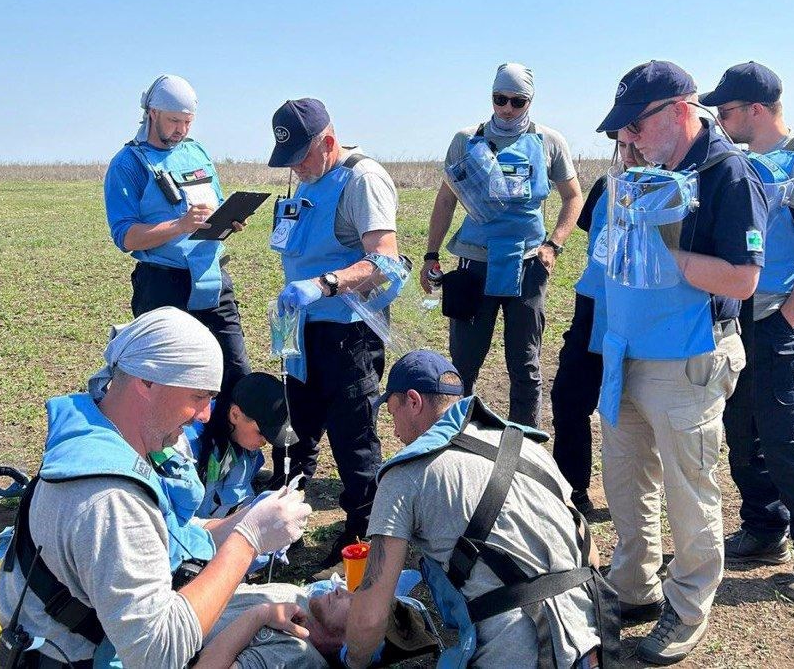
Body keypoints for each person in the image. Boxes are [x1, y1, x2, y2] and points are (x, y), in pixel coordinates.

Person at [0, 307, 311, 667]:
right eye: (198, 396)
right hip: (82, 658)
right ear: (146, 382)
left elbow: (167, 535)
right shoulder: (110, 501)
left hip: (86, 642)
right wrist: (248, 541)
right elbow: (159, 654)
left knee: (284, 602)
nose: (207, 414)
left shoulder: (110, 440)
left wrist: (246, 521)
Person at [594, 60, 768, 664]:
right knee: (626, 478)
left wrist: (671, 248)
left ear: (679, 110)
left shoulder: (728, 175)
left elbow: (744, 281)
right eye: (623, 132)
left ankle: (689, 604)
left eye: (635, 126)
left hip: (688, 359)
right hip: (627, 354)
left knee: (688, 490)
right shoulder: (647, 173)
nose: (628, 139)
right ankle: (633, 583)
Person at [344, 350, 617, 669]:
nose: (394, 432)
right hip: (593, 643)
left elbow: (371, 614)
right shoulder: (528, 446)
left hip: (521, 656)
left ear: (414, 401)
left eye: (392, 414)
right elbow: (593, 556)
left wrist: (353, 660)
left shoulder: (406, 477)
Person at [702, 62, 794, 600]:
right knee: (741, 432)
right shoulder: (735, 160)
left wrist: (789, 318)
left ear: (755, 110)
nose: (719, 118)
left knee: (784, 437)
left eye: (727, 109)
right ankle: (765, 528)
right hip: (736, 316)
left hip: (782, 317)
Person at [266, 98, 400, 570]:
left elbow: (384, 262)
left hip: (347, 336)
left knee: (353, 438)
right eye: (288, 160)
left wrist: (325, 284)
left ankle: (362, 536)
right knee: (294, 433)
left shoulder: (361, 180)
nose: (297, 168)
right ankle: (281, 527)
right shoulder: (301, 178)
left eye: (302, 156)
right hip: (299, 331)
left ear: (328, 141)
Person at [103, 74, 252, 486]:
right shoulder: (128, 164)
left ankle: (228, 466)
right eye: (173, 121)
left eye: (187, 122)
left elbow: (214, 204)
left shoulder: (196, 152)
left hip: (212, 277)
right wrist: (179, 225)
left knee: (234, 372)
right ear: (151, 114)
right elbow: (127, 236)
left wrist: (227, 220)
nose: (181, 131)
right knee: (166, 380)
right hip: (163, 283)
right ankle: (162, 472)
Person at [421, 63, 583, 429]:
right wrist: (431, 254)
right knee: (462, 364)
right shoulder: (466, 139)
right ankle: (454, 441)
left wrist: (553, 245)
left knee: (525, 364)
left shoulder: (550, 142)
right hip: (473, 266)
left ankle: (525, 445)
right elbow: (446, 201)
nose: (508, 109)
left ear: (530, 101)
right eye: (500, 99)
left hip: (527, 265)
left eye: (517, 101)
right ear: (491, 96)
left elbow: (573, 197)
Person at [549, 134, 645, 516]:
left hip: (638, 317)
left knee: (633, 413)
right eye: (623, 146)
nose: (630, 154)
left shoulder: (672, 190)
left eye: (638, 145)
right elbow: (595, 236)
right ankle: (573, 492)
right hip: (591, 309)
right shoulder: (607, 185)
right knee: (569, 399)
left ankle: (635, 503)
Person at [176, 371, 291, 519]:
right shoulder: (186, 446)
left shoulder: (244, 440)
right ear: (235, 414)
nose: (265, 442)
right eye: (261, 433)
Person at [195, 582, 351, 668]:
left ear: (351, 642)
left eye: (354, 603)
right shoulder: (297, 594)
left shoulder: (300, 656)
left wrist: (263, 615)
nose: (340, 589)